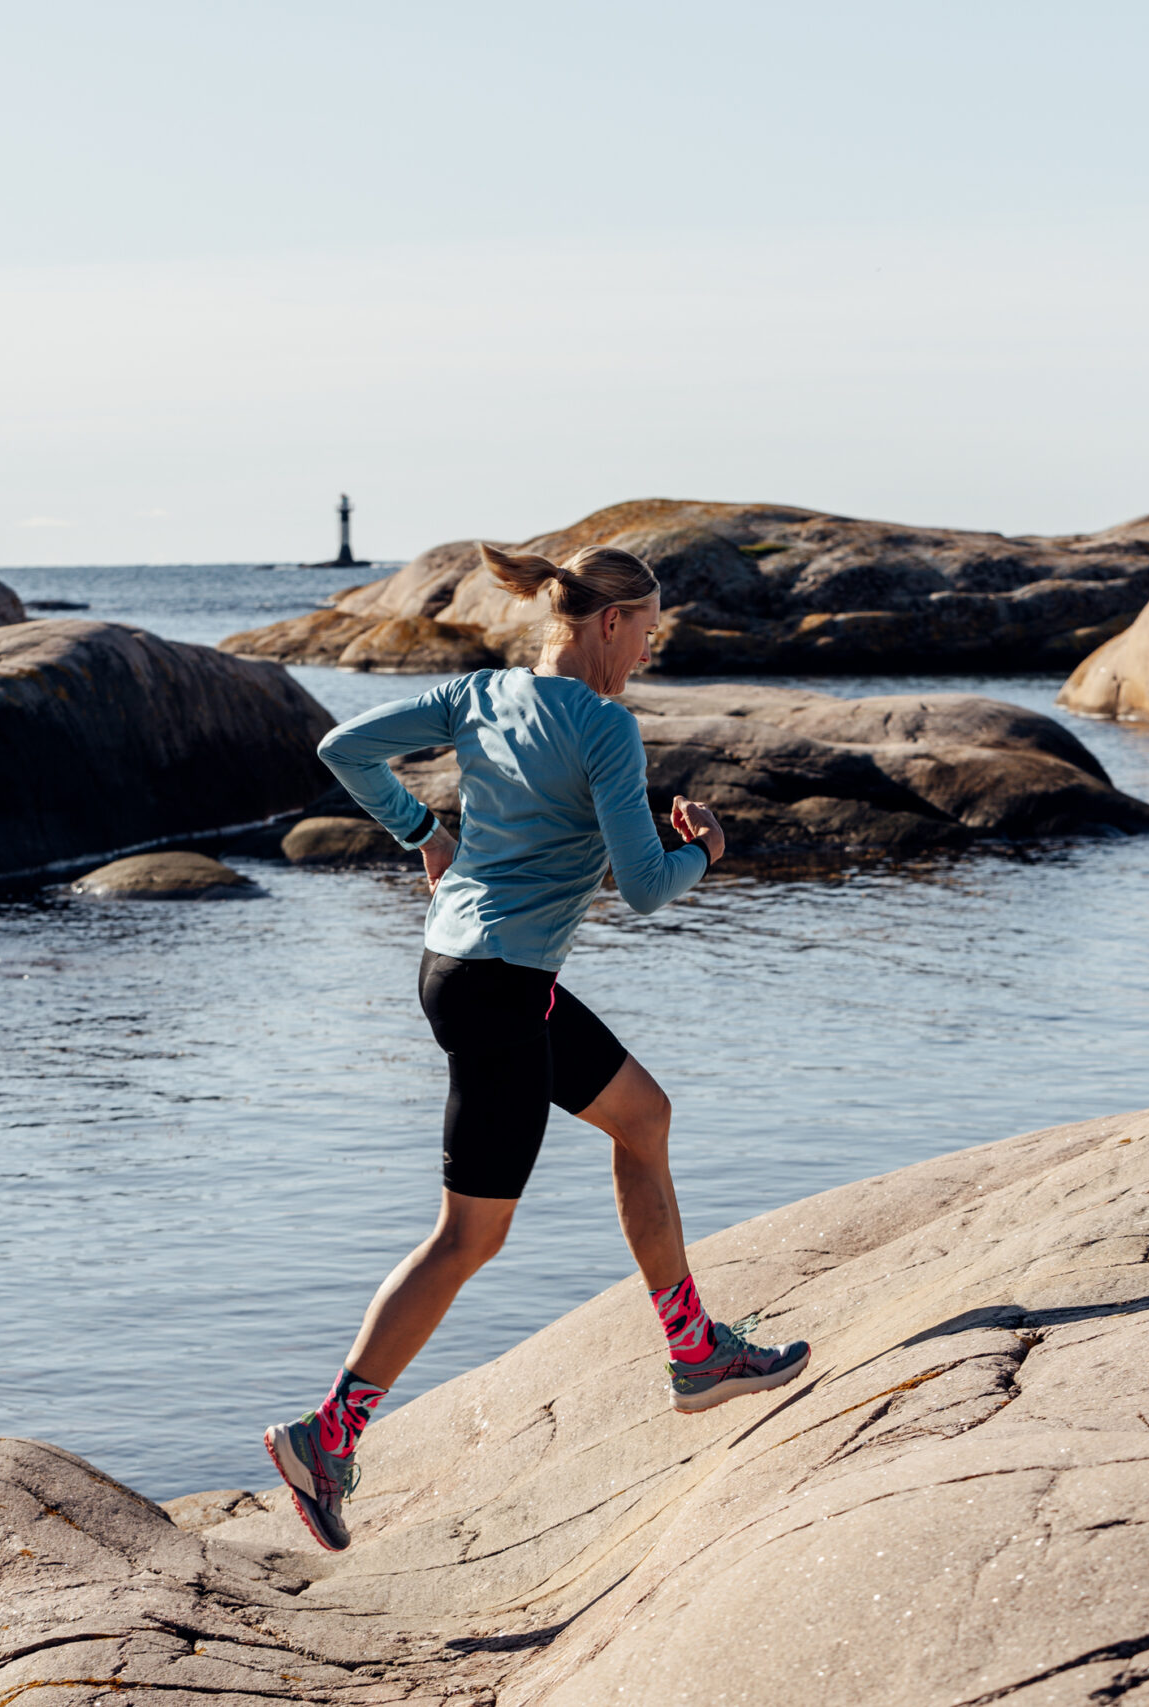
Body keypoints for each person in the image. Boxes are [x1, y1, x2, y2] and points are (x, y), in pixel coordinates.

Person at [261, 541, 812, 1553]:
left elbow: (344, 747)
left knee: (641, 1117)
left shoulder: (480, 694)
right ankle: (325, 1437)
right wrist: (702, 850)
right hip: (503, 992)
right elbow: (644, 888)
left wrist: (421, 832)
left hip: (464, 971)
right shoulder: (605, 728)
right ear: (607, 623)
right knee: (468, 1237)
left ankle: (695, 1351)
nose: (647, 649)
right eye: (645, 628)